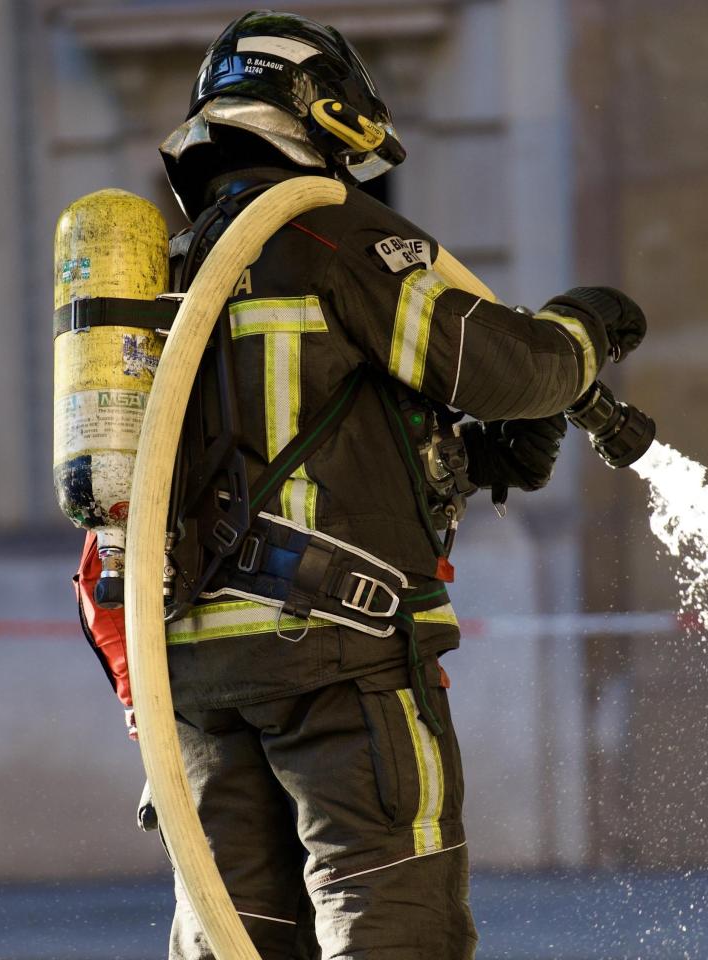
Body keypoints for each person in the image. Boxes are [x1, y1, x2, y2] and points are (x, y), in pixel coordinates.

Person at [73, 11, 645, 958]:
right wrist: (584, 330)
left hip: (199, 684)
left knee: (239, 935)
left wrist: (473, 461)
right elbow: (500, 364)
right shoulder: (331, 234)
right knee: (389, 918)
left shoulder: (166, 275)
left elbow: (281, 444)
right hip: (334, 658)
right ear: (324, 112)